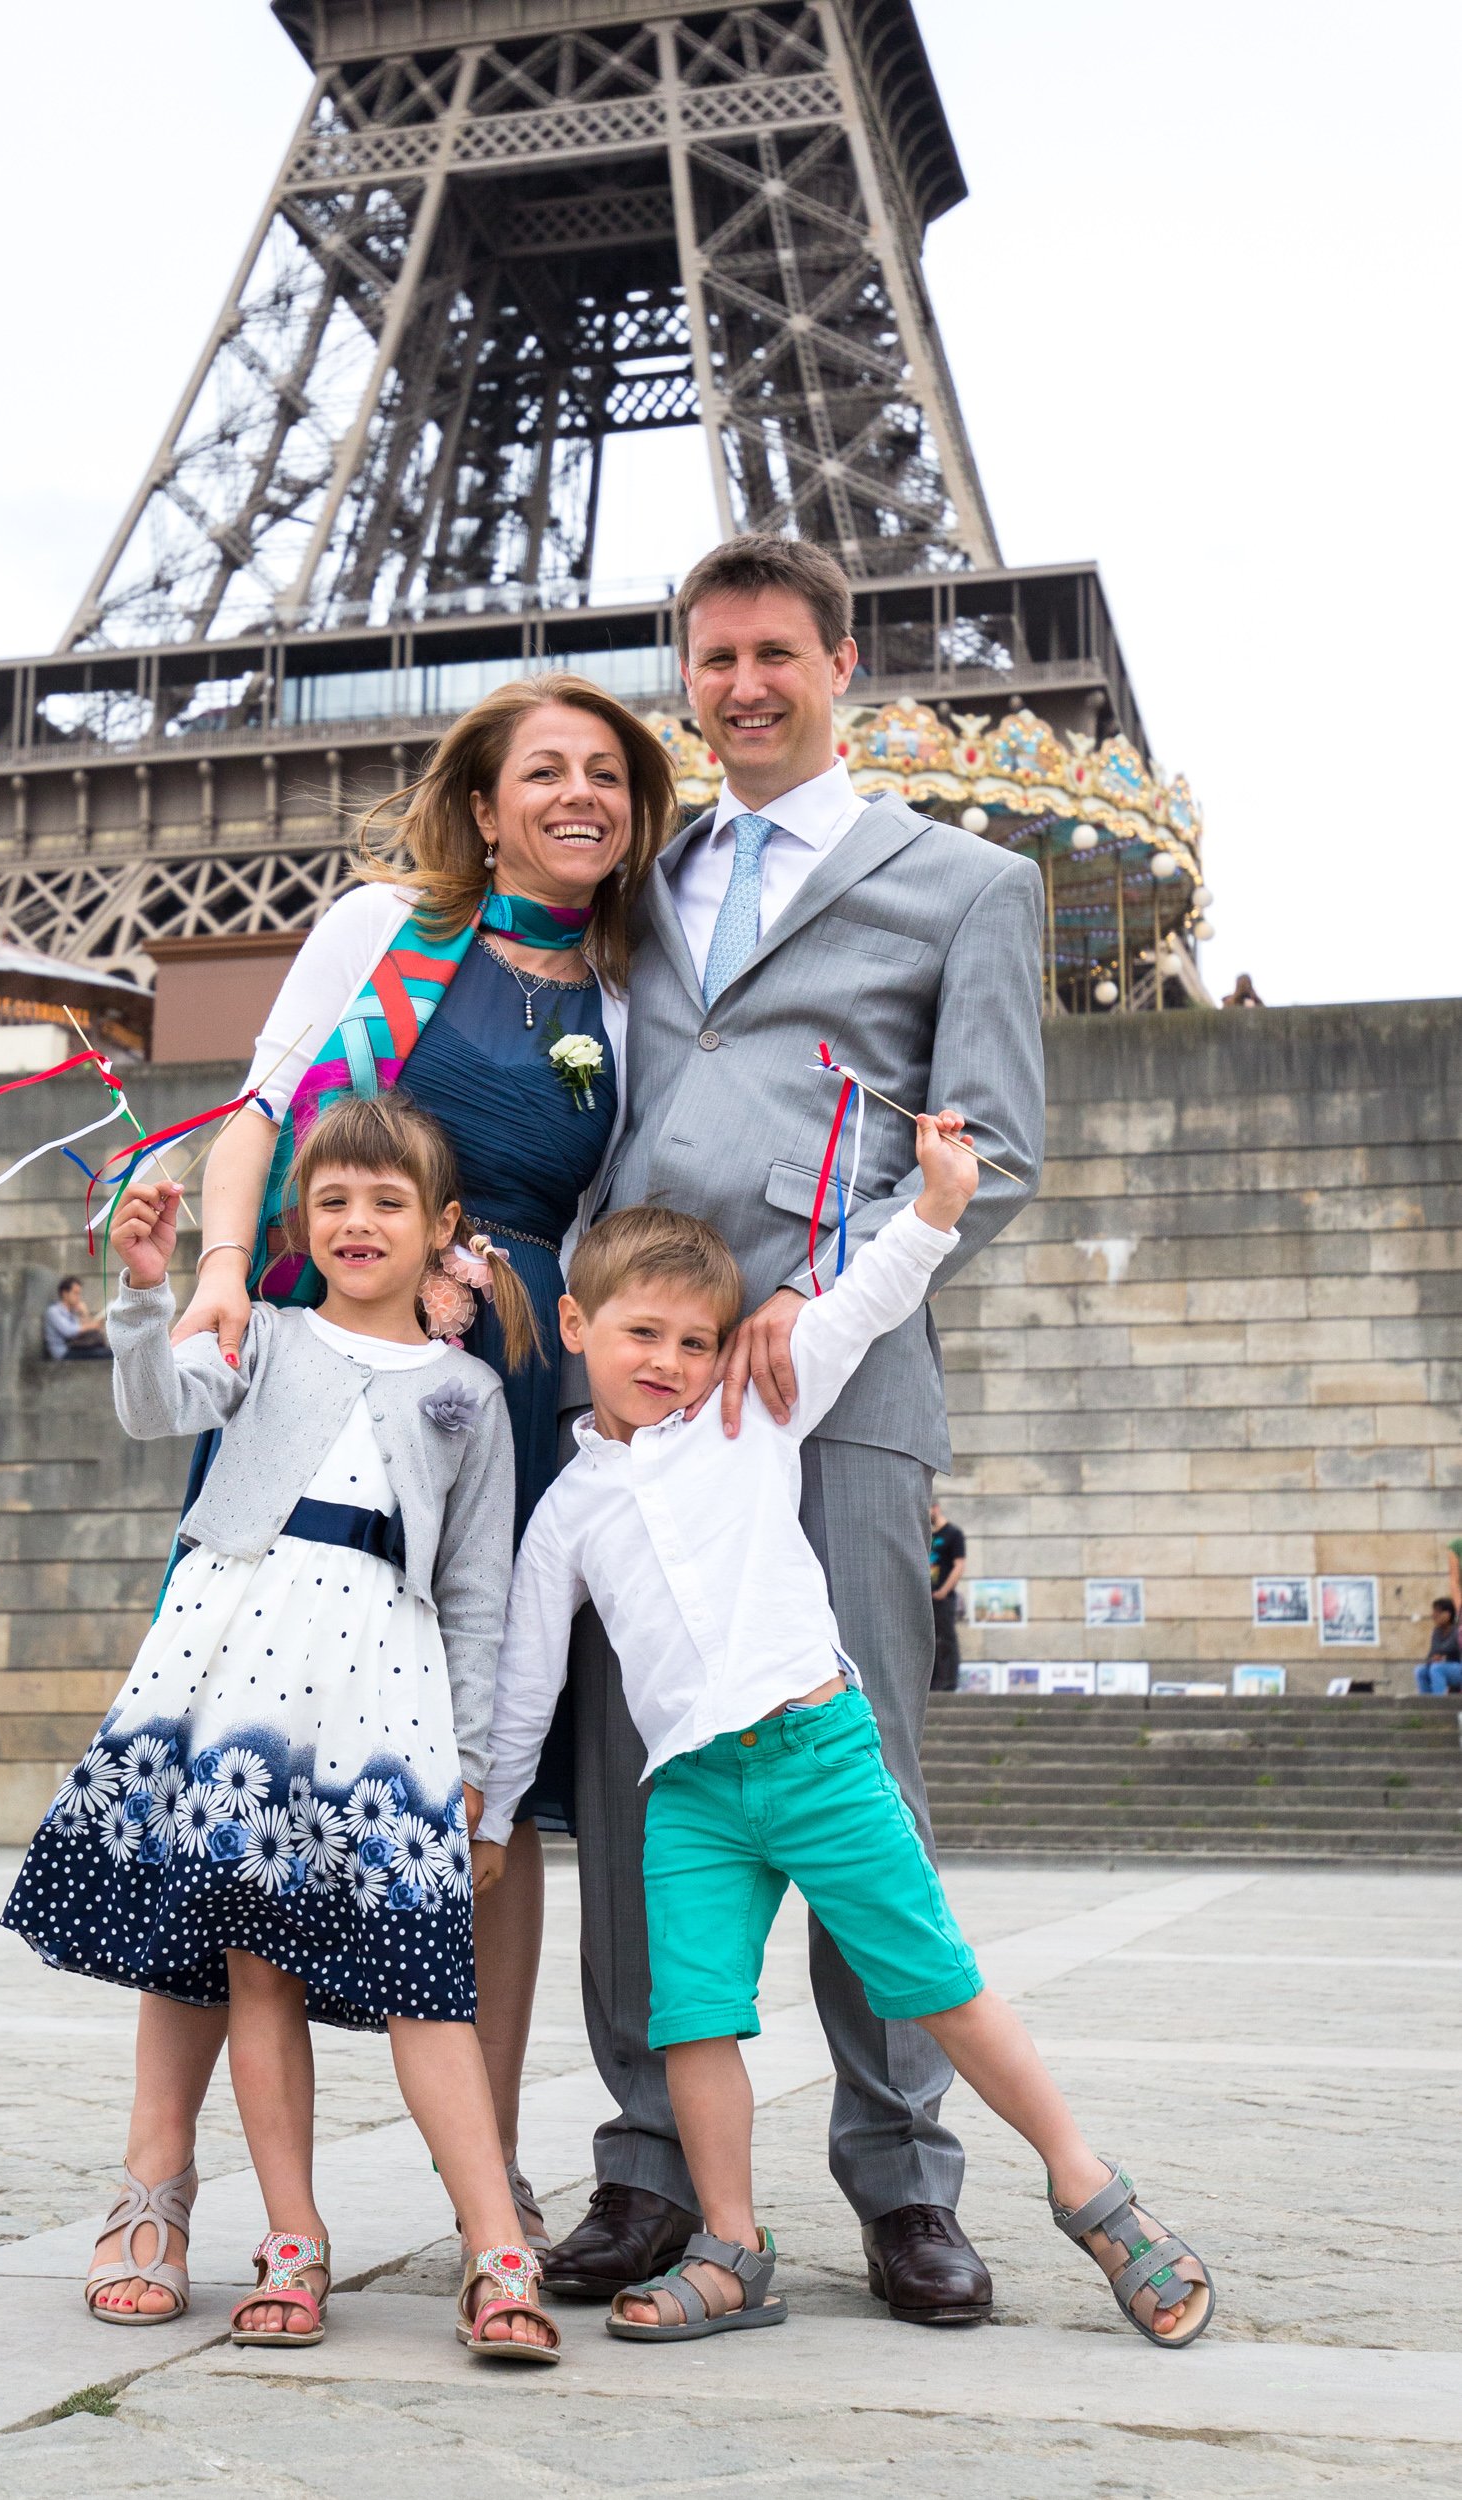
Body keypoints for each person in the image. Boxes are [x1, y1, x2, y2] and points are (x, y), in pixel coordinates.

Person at [541, 534, 1046, 2324]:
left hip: (825, 1397)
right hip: (636, 1404)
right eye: (713, 657)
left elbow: (997, 1145)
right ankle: (646, 2166)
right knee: (638, 1783)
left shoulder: (967, 882)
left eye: (774, 652)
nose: (741, 684)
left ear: (841, 661)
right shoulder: (646, 875)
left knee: (862, 1800)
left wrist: (814, 1283)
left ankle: (905, 2176)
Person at [476, 1159, 1213, 2351]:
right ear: (575, 1324)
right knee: (693, 2019)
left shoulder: (750, 1412)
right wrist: (493, 1810)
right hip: (692, 1795)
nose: (667, 1360)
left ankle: (1089, 2187)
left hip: (818, 1751)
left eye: (694, 1339)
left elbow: (861, 1302)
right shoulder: (565, 1506)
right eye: (639, 1333)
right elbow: (525, 1676)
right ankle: (730, 2244)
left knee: (935, 1982)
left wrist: (929, 1209)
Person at [155, 672, 676, 2255]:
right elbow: (255, 1116)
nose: (575, 794)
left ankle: (489, 2182)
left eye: (606, 772)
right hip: (312, 1362)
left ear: (635, 810)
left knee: (478, 1784)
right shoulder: (379, 926)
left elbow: (602, 1229)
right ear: (482, 800)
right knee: (220, 1757)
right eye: (543, 770)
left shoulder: (629, 995)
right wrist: (224, 1269)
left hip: (491, 1390)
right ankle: (160, 2182)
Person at [2, 1094, 562, 2360]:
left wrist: (479, 1772)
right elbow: (156, 1407)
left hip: (384, 1691)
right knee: (253, 1962)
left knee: (429, 1981)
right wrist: (149, 1292)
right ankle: (291, 2239)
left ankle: (495, 2245)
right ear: (296, 1222)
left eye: (386, 1202)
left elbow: (476, 1594)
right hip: (237, 1662)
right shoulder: (260, 1336)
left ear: (442, 1229)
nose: (356, 1222)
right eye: (331, 1200)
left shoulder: (469, 1392)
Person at [928, 1500, 966, 1693]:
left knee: (946, 1639)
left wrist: (944, 1590)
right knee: (930, 1640)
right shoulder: (928, 1536)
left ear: (935, 1508)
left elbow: (959, 1565)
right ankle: (933, 1683)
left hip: (943, 1597)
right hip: (927, 1599)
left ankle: (948, 1683)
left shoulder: (953, 1534)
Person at [44, 1275, 111, 1361]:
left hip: (74, 1348)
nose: (78, 1297)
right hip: (63, 1352)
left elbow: (83, 1331)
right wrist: (91, 1326)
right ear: (65, 1293)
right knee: (106, 1354)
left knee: (107, 1350)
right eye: (75, 1293)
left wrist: (85, 1314)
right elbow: (68, 1331)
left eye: (79, 1293)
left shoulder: (72, 1311)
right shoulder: (53, 1311)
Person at [1416, 1598, 1462, 1696]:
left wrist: (1439, 1656)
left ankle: (1439, 1702)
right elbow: (1432, 1653)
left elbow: (1448, 1647)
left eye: (1437, 1612)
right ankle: (1427, 1705)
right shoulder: (1437, 1632)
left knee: (1436, 1668)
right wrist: (1433, 1659)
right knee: (1420, 1670)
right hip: (1445, 1667)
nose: (1433, 1615)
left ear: (1448, 1614)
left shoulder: (1457, 1631)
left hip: (1458, 1667)